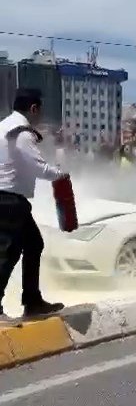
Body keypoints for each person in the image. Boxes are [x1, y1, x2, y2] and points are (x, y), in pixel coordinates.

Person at [0, 88, 66, 321]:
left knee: (33, 244)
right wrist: (61, 175)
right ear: (34, 108)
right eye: (40, 111)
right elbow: (38, 167)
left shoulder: (3, 126)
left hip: (8, 198)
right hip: (10, 200)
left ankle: (32, 301)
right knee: (7, 253)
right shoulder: (22, 133)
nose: (39, 117)